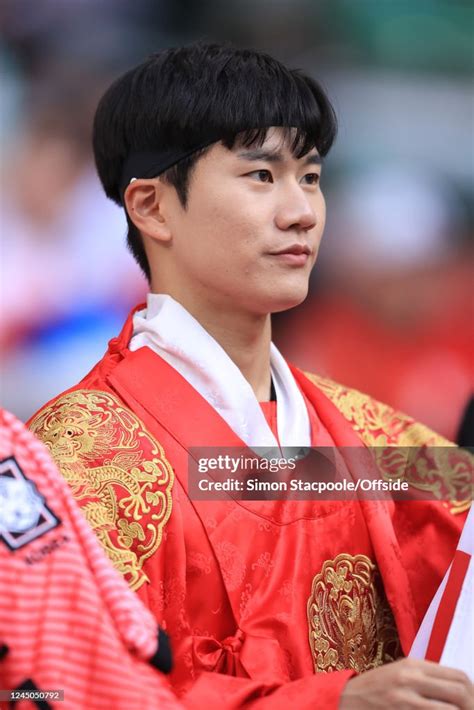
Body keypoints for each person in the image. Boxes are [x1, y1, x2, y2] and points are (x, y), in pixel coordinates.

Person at [28, 43, 472, 709]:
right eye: (261, 176)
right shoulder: (81, 456)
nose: (301, 213)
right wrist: (331, 703)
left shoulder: (368, 435)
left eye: (312, 177)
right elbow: (53, 690)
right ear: (150, 207)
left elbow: (458, 498)